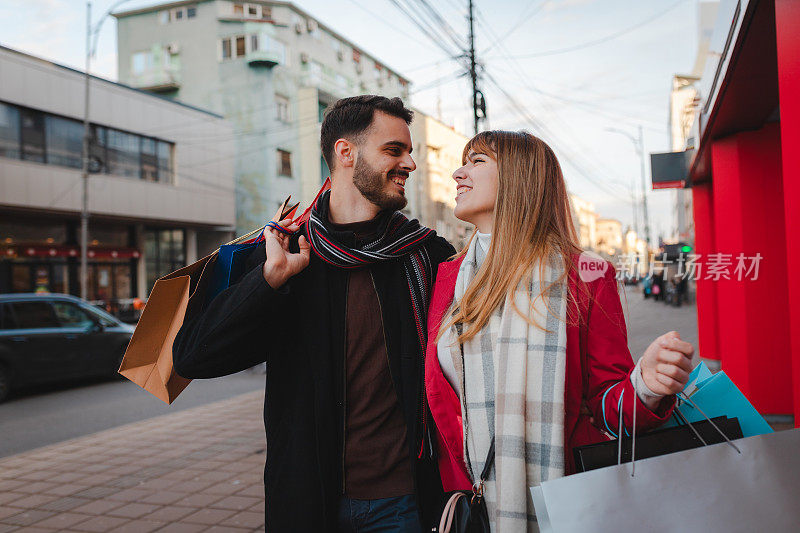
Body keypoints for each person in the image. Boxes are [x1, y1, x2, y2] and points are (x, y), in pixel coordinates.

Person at [173, 96, 456, 532]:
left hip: (404, 499)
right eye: (394, 150)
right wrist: (267, 282)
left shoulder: (426, 255)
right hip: (308, 501)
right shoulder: (285, 254)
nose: (410, 164)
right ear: (346, 153)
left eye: (410, 151)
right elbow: (194, 357)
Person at [424, 131, 695, 531]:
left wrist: (646, 387)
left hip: (567, 501)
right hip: (473, 504)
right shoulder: (447, 276)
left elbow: (606, 404)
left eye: (477, 161)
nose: (458, 173)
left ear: (520, 177)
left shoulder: (584, 275)